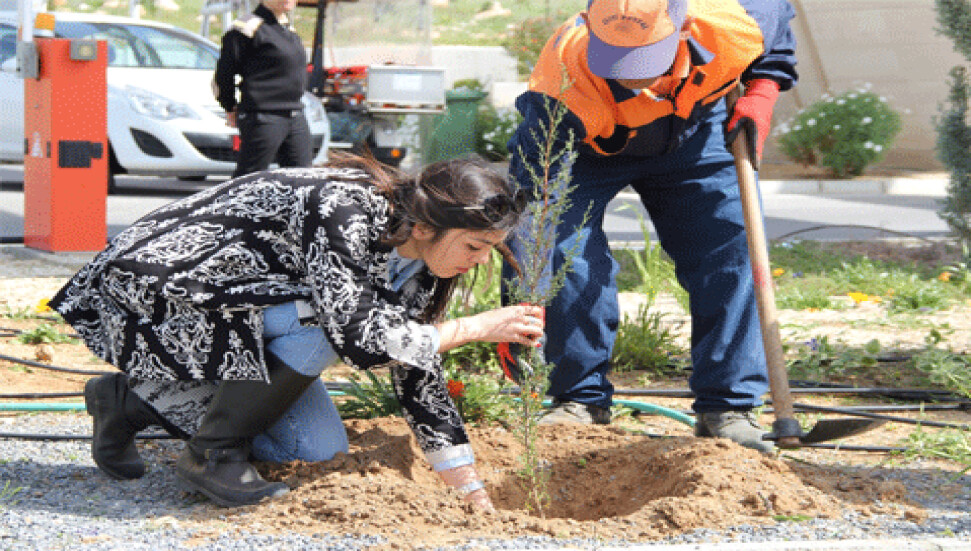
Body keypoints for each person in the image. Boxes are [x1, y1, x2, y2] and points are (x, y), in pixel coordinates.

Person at [49, 155, 544, 511]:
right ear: (423, 227)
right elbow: (359, 337)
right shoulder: (346, 208)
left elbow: (414, 366)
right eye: (476, 246)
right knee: (322, 323)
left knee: (313, 452)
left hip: (237, 313)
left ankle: (126, 402)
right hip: (159, 292)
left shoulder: (421, 265)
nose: (481, 261)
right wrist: (472, 328)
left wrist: (466, 485)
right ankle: (213, 453)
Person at [503, 0, 798, 453]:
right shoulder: (561, 83)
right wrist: (521, 296)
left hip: (698, 128)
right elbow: (535, 216)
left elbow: (774, 40)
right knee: (563, 253)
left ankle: (729, 407)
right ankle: (578, 400)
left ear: (682, 32)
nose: (629, 74)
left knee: (730, 245)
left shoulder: (734, 21)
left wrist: (761, 95)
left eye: (642, 58)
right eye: (617, 57)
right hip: (586, 148)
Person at [214, 0, 313, 178]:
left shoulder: (286, 29)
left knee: (303, 180)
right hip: (264, 116)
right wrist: (229, 106)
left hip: (295, 115)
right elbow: (223, 76)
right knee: (249, 180)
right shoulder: (247, 29)